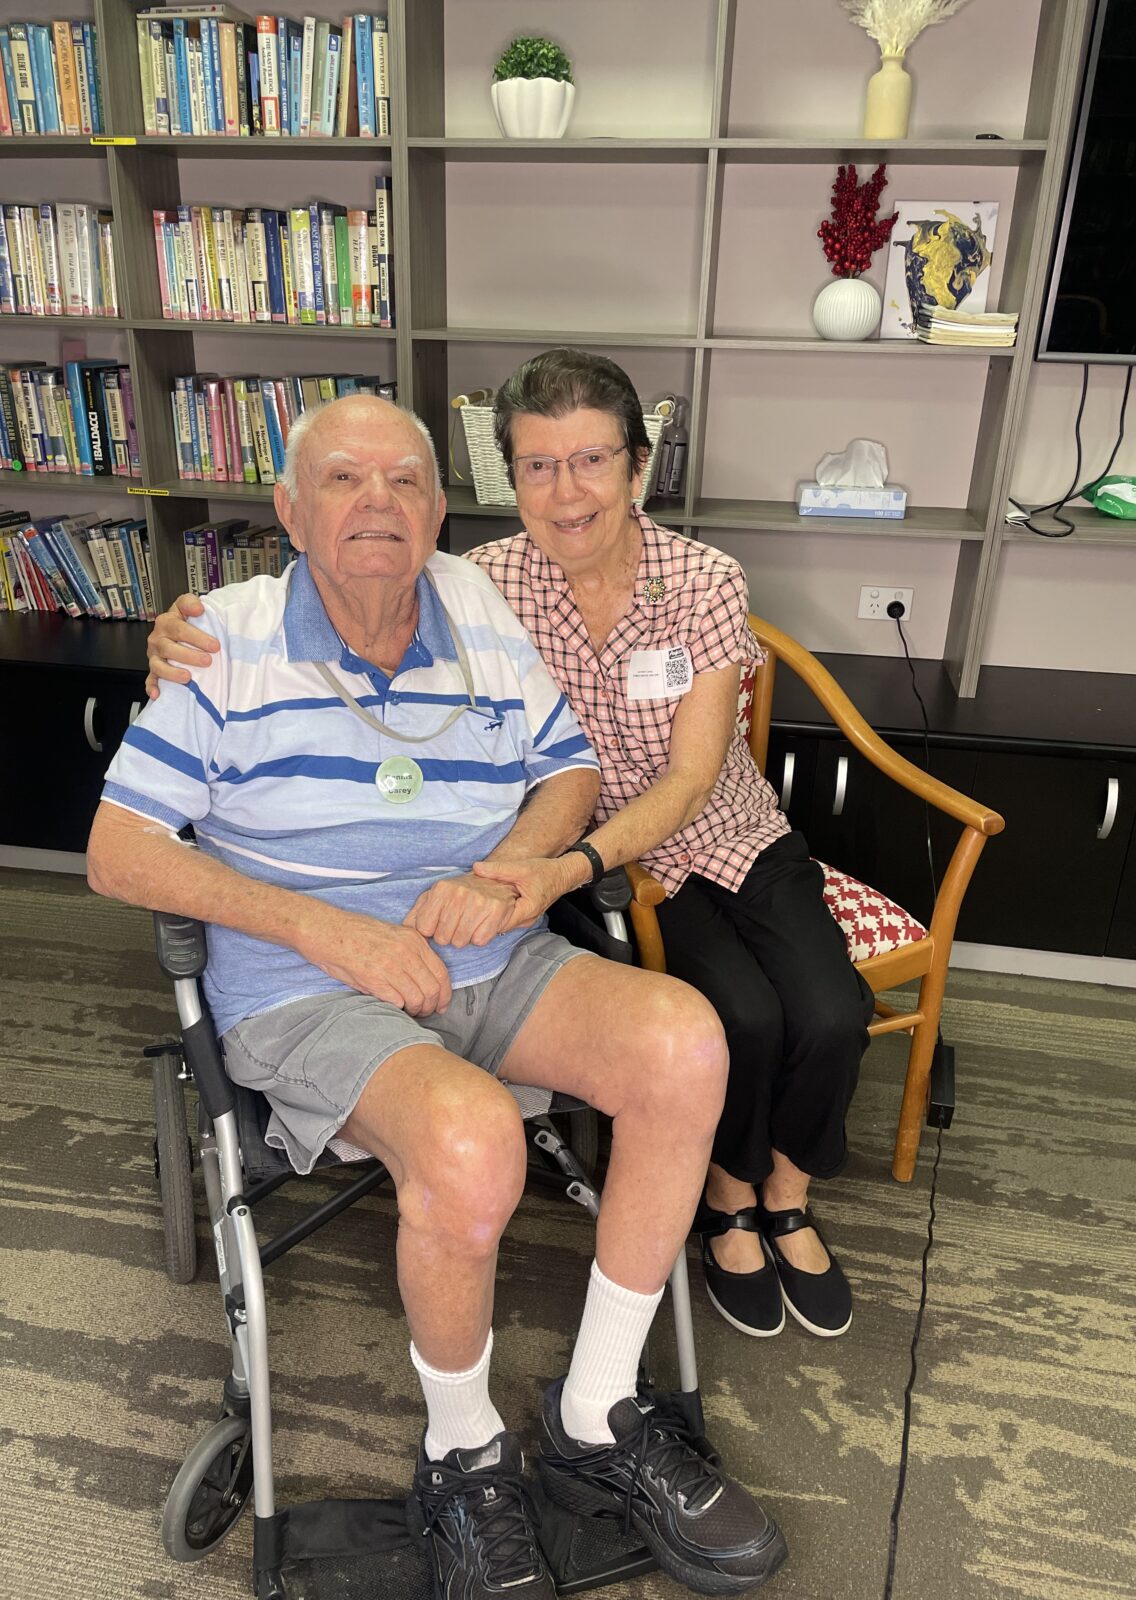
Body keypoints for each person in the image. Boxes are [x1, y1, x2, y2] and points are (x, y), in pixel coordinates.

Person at [89, 395, 787, 1600]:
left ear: (438, 506)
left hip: (486, 951)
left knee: (686, 1042)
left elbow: (569, 766)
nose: (378, 503)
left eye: (405, 481)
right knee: (470, 1139)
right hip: (308, 983)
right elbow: (118, 851)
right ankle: (462, 1455)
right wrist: (325, 928)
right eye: (344, 480)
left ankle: (596, 1413)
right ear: (290, 510)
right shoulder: (222, 640)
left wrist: (508, 871)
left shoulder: (476, 605)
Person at [146, 353, 875, 1345]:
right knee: (738, 1015)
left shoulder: (702, 580)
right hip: (600, 864)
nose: (567, 492)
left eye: (591, 460)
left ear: (637, 467)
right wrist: (185, 637)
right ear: (507, 481)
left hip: (707, 831)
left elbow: (689, 781)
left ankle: (784, 1196)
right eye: (538, 466)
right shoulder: (483, 581)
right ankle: (727, 1202)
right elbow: (343, 582)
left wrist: (561, 864)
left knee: (829, 1012)